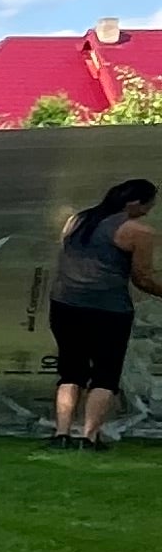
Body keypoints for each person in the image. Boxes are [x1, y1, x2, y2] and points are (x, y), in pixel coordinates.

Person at [48, 177, 160, 447]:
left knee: (71, 371)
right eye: (148, 205)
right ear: (134, 203)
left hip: (64, 304)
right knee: (105, 374)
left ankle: (61, 434)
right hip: (108, 309)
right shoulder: (138, 231)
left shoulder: (77, 220)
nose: (149, 211)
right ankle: (89, 436)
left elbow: (68, 257)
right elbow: (142, 277)